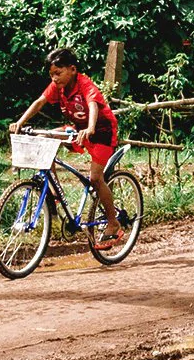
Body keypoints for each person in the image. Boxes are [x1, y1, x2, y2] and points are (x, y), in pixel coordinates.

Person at [15, 48, 123, 251]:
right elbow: (40, 102)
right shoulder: (58, 87)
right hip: (79, 131)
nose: (54, 79)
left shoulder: (85, 84)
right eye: (51, 75)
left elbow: (93, 105)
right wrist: (20, 122)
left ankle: (113, 222)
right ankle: (54, 194)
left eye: (58, 73)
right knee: (44, 139)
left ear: (72, 69)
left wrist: (90, 128)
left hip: (101, 132)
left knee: (95, 179)